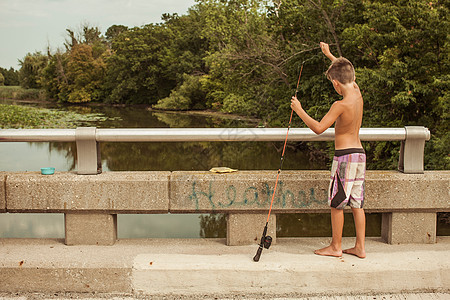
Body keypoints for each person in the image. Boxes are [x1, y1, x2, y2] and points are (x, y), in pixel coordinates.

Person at [290, 42, 366, 258]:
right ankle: (360, 247)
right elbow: (344, 69)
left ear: (335, 84)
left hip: (344, 157)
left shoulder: (339, 105)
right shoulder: (357, 92)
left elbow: (318, 128)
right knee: (357, 204)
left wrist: (299, 109)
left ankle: (336, 246)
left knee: (337, 203)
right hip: (360, 155)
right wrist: (329, 55)